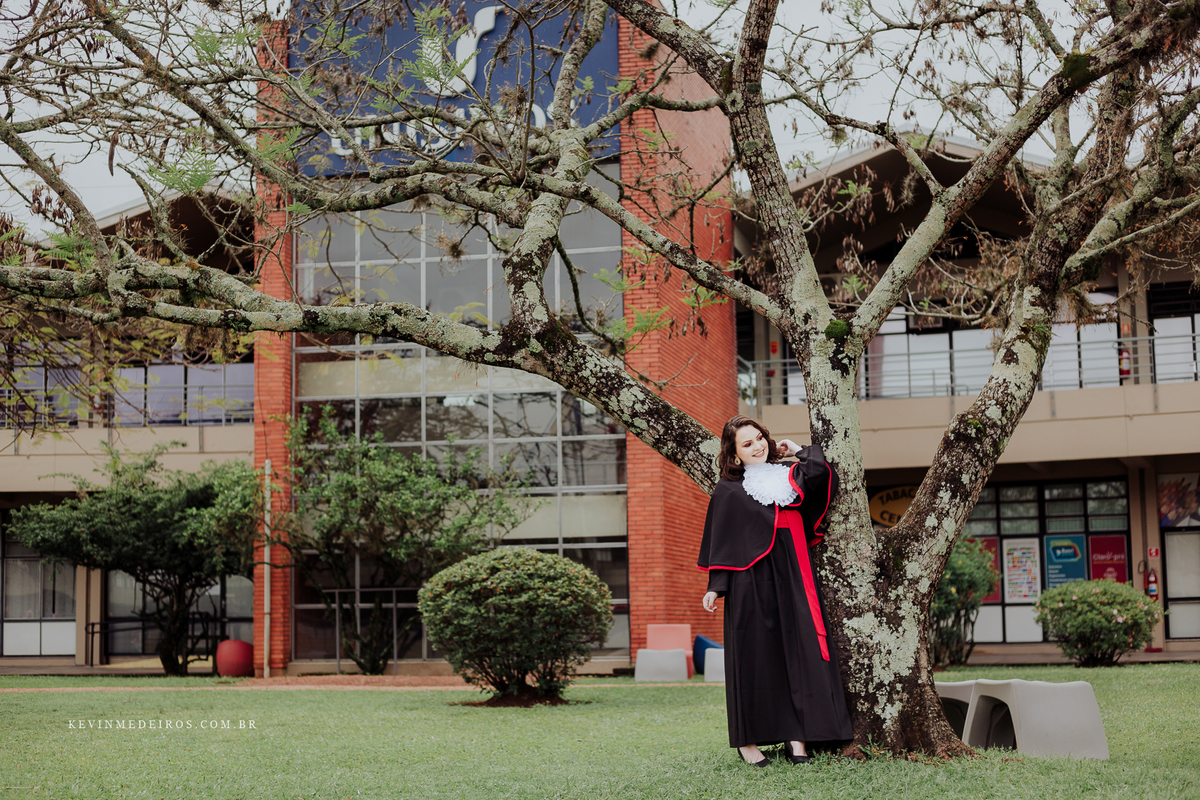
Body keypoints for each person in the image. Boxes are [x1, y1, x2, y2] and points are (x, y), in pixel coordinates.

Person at [698, 414, 853, 766]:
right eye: (747, 443)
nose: (757, 446)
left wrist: (798, 450)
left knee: (801, 650)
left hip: (794, 573)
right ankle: (747, 742)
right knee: (754, 656)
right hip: (750, 581)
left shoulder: (789, 474)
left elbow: (821, 474)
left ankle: (797, 738)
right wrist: (716, 586)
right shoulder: (728, 490)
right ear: (734, 454)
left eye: (759, 438)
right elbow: (722, 541)